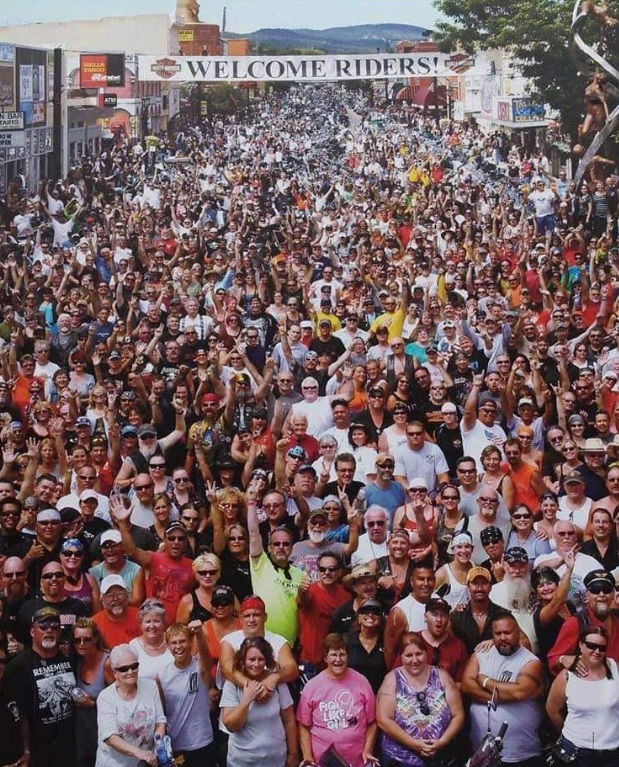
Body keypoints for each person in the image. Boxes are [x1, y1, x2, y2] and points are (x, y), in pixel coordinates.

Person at [462, 613, 545, 767]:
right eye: (498, 633)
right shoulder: (481, 654)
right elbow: (467, 686)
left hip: (521, 754)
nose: (502, 637)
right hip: (483, 752)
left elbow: (518, 692)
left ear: (518, 633)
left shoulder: (531, 662)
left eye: (507, 633)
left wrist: (485, 681)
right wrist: (501, 696)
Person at [377, 631, 465, 767]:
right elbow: (384, 720)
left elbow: (458, 715)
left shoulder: (443, 676)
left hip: (441, 755)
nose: (414, 660)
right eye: (408, 655)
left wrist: (441, 742)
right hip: (400, 759)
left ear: (426, 653)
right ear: (401, 656)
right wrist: (415, 744)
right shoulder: (391, 680)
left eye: (419, 654)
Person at [4, 606, 76, 767]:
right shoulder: (17, 667)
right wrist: (24, 750)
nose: (49, 630)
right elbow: (15, 715)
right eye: (43, 626)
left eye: (54, 626)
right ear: (32, 631)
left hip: (69, 747)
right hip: (37, 752)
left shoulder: (70, 660)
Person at [297, 633, 378, 767]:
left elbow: (372, 722)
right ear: (325, 658)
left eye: (342, 654)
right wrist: (307, 756)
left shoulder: (362, 682)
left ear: (348, 657)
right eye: (333, 655)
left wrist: (368, 750)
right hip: (322, 762)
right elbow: (303, 726)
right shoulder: (312, 686)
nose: (338, 660)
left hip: (358, 761)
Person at [546, 625, 619, 767]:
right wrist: (570, 732)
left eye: (602, 648)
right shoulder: (566, 676)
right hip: (576, 752)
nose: (597, 651)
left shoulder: (615, 669)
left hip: (612, 751)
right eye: (591, 646)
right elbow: (552, 709)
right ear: (580, 644)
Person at [221, 636, 299, 767]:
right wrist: (247, 699)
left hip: (275, 759)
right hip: (242, 761)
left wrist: (293, 754)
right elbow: (231, 726)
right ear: (243, 660)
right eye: (251, 659)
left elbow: (289, 720)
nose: (256, 664)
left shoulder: (277, 683)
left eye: (260, 659)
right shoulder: (232, 684)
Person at [95, 643, 167, 767]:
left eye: (134, 666)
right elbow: (110, 737)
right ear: (114, 672)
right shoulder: (105, 697)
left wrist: (159, 747)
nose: (130, 672)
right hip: (114, 763)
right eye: (124, 669)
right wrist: (140, 753)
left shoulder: (151, 687)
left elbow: (160, 721)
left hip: (146, 762)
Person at [159, 621, 217, 767]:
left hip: (202, 742)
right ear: (168, 645)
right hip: (176, 744)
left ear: (190, 642)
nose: (178, 647)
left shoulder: (199, 667)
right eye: (173, 643)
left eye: (182, 641)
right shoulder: (162, 674)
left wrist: (199, 633)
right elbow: (161, 710)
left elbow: (205, 653)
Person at [297, 551, 350, 678]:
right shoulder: (310, 590)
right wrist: (302, 591)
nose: (326, 572)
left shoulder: (346, 595)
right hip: (311, 661)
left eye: (332, 569)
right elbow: (302, 600)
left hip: (337, 661)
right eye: (322, 569)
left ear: (340, 572)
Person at [72, 617, 114, 767]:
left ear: (95, 638)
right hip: (83, 735)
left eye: (86, 639)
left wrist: (93, 704)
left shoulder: (107, 663)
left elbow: (120, 701)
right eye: (77, 640)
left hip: (104, 735)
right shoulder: (77, 661)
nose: (81, 644)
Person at [128, 598, 173, 680]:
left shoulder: (172, 639)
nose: (152, 626)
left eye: (156, 621)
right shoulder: (133, 647)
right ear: (141, 624)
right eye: (148, 621)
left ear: (164, 622)